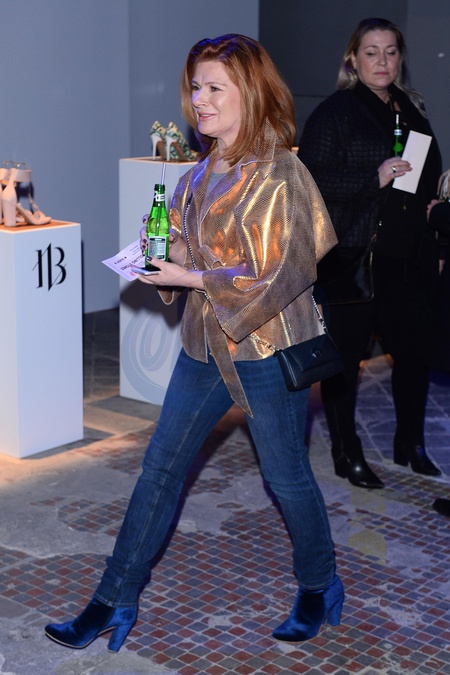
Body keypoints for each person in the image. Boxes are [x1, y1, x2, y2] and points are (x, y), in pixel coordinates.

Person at [44, 34, 343, 651]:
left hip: (267, 349)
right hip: (206, 343)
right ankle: (113, 599)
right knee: (160, 468)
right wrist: (162, 255)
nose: (198, 100)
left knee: (286, 477)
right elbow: (185, 241)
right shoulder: (201, 170)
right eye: (196, 87)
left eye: (214, 88)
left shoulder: (281, 171)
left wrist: (192, 277)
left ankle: (320, 586)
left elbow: (285, 272)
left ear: (250, 94)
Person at [298, 17, 442, 490]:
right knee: (346, 362)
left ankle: (410, 444)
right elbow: (309, 183)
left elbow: (424, 178)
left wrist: (435, 230)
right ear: (353, 60)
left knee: (415, 353)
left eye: (391, 52)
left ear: (400, 58)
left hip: (409, 257)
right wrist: (373, 178)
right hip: (357, 259)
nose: (382, 61)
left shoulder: (411, 109)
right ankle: (346, 452)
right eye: (371, 52)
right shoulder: (336, 112)